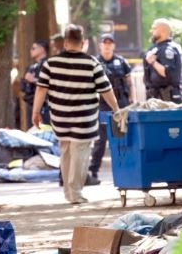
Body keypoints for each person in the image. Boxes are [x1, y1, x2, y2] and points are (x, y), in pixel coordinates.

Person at [32, 24, 119, 205]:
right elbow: (106, 90)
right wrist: (116, 109)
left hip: (60, 117)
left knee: (65, 152)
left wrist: (36, 112)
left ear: (65, 43)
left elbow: (41, 89)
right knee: (80, 154)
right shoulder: (91, 63)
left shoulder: (51, 64)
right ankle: (75, 193)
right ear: (83, 43)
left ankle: (68, 192)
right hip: (84, 118)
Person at [89, 33, 134, 182]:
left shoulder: (121, 62)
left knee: (122, 137)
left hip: (121, 103)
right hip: (102, 105)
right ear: (100, 45)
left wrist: (132, 98)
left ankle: (126, 169)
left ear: (113, 45)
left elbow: (129, 81)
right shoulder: (95, 62)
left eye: (110, 43)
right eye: (104, 43)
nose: (107, 45)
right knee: (101, 140)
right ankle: (93, 170)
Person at [143, 18, 182, 103]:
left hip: (168, 96)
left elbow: (167, 73)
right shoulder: (154, 48)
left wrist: (153, 62)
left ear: (163, 30)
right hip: (154, 96)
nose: (151, 31)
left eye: (154, 28)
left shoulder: (169, 49)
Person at [20, 39, 48, 129]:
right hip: (31, 104)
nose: (31, 51)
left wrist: (34, 80)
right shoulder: (32, 67)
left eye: (33, 48)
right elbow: (22, 86)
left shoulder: (48, 65)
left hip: (44, 106)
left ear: (42, 49)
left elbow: (49, 84)